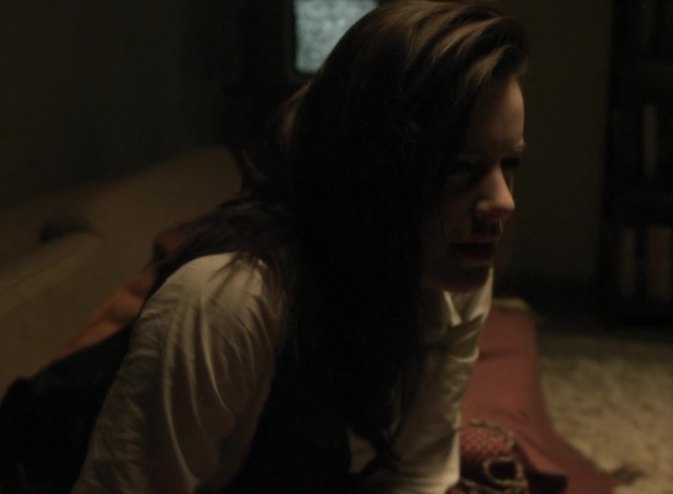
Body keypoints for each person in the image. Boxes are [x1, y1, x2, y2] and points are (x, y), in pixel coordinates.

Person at [73, 0, 527, 491]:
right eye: (463, 168)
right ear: (373, 169)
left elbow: (418, 473)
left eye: (510, 164)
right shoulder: (228, 303)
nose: (503, 202)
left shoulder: (451, 272)